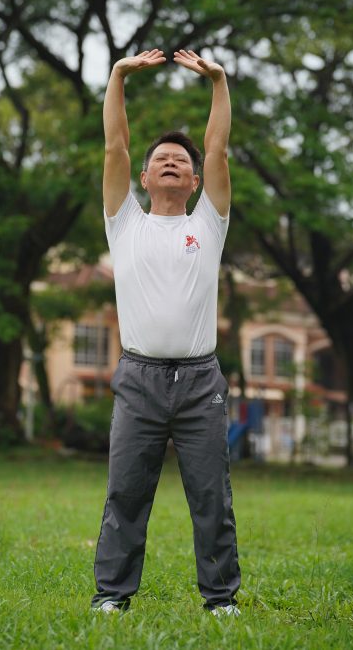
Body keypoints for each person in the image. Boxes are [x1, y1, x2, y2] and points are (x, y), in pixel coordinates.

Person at [91, 49, 241, 616]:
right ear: (146, 176)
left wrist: (219, 82)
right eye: (162, 159)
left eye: (183, 158)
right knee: (126, 493)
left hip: (201, 381)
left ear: (197, 178)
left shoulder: (210, 221)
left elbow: (221, 145)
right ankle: (112, 595)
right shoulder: (124, 221)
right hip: (138, 378)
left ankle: (220, 598)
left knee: (210, 497)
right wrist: (118, 77)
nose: (172, 162)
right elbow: (114, 147)